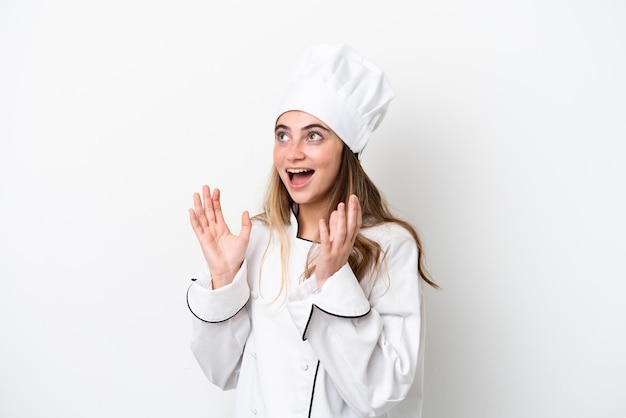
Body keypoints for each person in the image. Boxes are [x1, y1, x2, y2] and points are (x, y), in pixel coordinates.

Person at [186, 42, 438, 418]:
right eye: (283, 135)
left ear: (346, 150)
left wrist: (334, 280)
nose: (293, 152)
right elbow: (221, 372)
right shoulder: (257, 241)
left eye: (314, 136)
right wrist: (224, 281)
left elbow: (382, 393)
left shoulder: (389, 246)